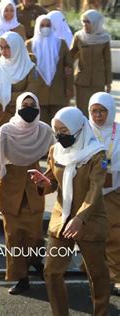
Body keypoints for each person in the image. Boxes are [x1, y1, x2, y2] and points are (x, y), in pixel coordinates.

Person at [34, 106, 111, 316]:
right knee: (51, 272)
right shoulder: (55, 150)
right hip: (62, 220)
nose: (60, 135)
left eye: (65, 131)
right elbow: (52, 181)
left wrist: (80, 218)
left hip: (90, 221)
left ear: (78, 128)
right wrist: (43, 182)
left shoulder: (96, 154)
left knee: (97, 274)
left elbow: (95, 191)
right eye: (57, 130)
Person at [0, 92, 55, 294]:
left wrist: (50, 181)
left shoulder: (44, 130)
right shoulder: (6, 131)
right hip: (9, 186)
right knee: (13, 236)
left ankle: (35, 260)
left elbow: (55, 159)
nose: (28, 108)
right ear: (17, 107)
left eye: (32, 105)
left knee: (34, 234)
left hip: (34, 187)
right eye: (24, 105)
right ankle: (21, 277)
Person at [88, 92, 120, 297]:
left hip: (114, 192)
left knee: (115, 237)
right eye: (94, 111)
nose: (98, 116)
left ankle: (115, 277)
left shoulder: (118, 132)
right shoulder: (84, 131)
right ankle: (96, 278)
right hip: (90, 193)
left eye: (102, 111)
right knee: (93, 239)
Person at [0, 31, 39, 136]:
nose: (3, 51)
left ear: (16, 46)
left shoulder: (29, 67)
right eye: (0, 47)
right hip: (1, 117)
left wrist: (3, 95)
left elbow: (30, 95)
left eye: (7, 47)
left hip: (23, 117)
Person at [26, 15, 73, 124]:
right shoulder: (29, 45)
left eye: (48, 25)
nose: (45, 28)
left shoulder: (60, 43)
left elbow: (68, 67)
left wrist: (69, 88)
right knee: (41, 125)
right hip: (37, 92)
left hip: (58, 91)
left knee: (59, 123)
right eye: (42, 25)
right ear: (37, 26)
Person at [71, 10, 111, 117]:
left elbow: (107, 61)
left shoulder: (104, 38)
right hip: (81, 81)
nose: (85, 24)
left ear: (95, 22)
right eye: (83, 21)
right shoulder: (79, 36)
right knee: (82, 111)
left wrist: (108, 82)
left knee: (97, 110)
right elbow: (70, 56)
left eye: (88, 21)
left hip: (98, 81)